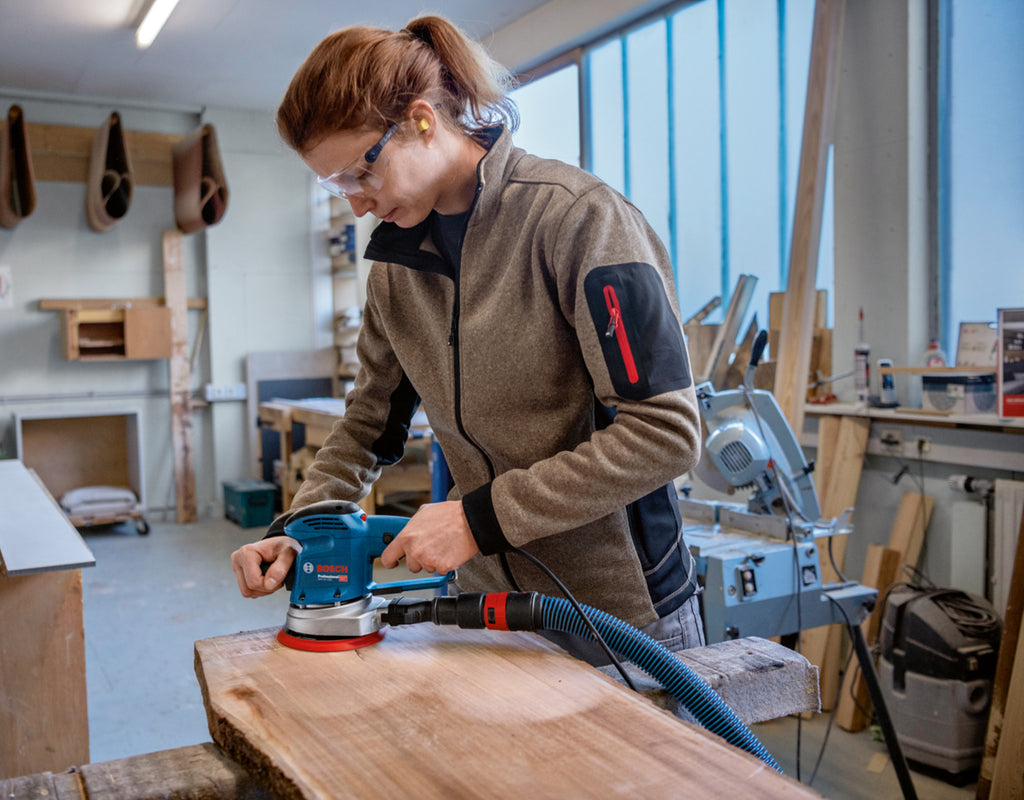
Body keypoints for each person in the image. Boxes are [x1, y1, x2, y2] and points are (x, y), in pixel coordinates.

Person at [230, 15, 706, 661]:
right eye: (336, 186)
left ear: (422, 121)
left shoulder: (580, 220)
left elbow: (665, 432)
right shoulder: (395, 269)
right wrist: (301, 530)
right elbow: (368, 425)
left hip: (620, 615)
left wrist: (480, 520)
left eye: (361, 173)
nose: (357, 204)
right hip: (488, 610)